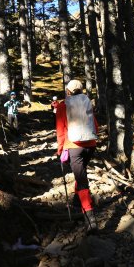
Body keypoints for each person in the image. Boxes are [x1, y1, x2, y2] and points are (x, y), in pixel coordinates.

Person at [55, 79, 99, 232]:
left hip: (74, 147)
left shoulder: (63, 105)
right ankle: (76, 202)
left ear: (68, 91)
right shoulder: (87, 102)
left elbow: (60, 131)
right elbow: (95, 124)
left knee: (81, 181)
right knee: (80, 174)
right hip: (90, 145)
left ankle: (90, 217)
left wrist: (60, 149)